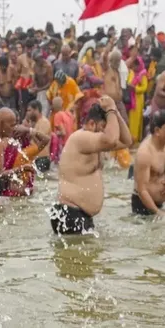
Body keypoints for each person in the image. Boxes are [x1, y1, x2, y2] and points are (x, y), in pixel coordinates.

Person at [51, 96, 132, 235]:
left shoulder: (94, 142)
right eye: (103, 127)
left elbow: (126, 141)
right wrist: (111, 109)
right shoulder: (80, 138)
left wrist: (115, 113)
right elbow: (111, 140)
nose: (105, 132)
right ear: (92, 124)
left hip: (78, 214)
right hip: (70, 213)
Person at [131, 111, 165, 217]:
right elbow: (142, 190)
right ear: (157, 131)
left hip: (160, 204)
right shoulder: (145, 153)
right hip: (142, 206)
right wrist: (158, 213)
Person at [25, 100, 53, 172]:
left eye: (29, 110)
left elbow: (40, 142)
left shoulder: (44, 122)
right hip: (34, 158)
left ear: (36, 110)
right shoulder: (35, 123)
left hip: (42, 159)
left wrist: (30, 130)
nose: (27, 113)